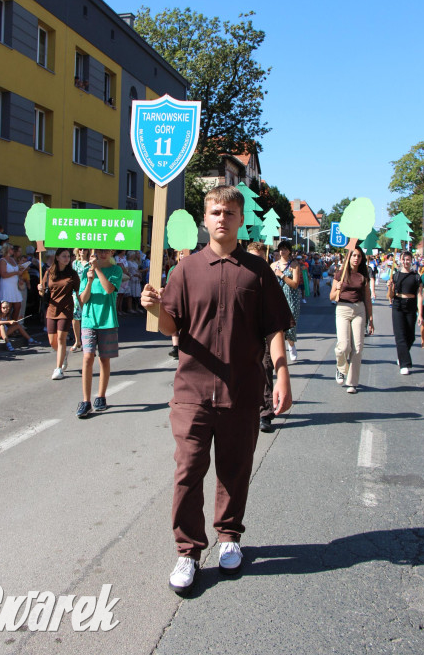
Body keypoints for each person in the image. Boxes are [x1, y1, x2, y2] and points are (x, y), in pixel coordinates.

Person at [141, 185, 293, 594]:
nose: (221, 218)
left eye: (229, 212)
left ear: (240, 220)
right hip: (192, 390)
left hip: (242, 390)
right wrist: (154, 307)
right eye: (214, 211)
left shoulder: (258, 271)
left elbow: (273, 328)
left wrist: (282, 375)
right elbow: (172, 327)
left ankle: (229, 538)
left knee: (234, 471)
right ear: (204, 219)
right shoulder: (185, 270)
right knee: (188, 470)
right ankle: (187, 551)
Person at [248, 241, 292, 433]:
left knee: (266, 367)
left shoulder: (269, 278)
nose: (256, 262)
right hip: (245, 335)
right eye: (252, 258)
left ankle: (265, 413)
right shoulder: (239, 276)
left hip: (266, 332)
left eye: (260, 259)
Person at [76, 249, 122, 418]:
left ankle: (101, 396)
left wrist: (97, 270)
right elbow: (83, 300)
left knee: (104, 359)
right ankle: (86, 400)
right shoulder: (86, 271)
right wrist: (88, 281)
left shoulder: (116, 270)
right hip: (89, 321)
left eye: (106, 251)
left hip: (107, 321)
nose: (103, 254)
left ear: (111, 252)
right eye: (99, 251)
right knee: (87, 357)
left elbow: (109, 289)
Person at [330, 246, 374, 393]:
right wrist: (338, 288)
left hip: (359, 310)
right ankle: (341, 367)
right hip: (342, 309)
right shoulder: (340, 274)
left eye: (359, 256)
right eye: (354, 256)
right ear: (348, 258)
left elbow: (367, 298)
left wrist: (371, 319)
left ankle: (352, 382)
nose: (356, 259)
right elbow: (331, 297)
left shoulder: (363, 276)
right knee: (343, 346)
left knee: (358, 348)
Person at [38, 248, 80, 380]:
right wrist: (39, 289)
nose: (67, 258)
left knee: (61, 339)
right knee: (52, 341)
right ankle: (64, 355)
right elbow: (43, 293)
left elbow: (78, 293)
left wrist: (84, 308)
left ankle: (58, 369)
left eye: (68, 256)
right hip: (52, 309)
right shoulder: (49, 272)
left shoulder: (72, 274)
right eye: (64, 256)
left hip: (66, 309)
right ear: (57, 257)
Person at [388, 251, 423, 375]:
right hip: (398, 305)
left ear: (411, 260)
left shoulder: (416, 276)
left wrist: (421, 314)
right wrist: (390, 287)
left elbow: (419, 295)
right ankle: (404, 364)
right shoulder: (396, 276)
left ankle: (402, 356)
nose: (406, 262)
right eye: (404, 259)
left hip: (411, 305)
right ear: (400, 261)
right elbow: (391, 296)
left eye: (408, 259)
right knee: (400, 336)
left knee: (411, 336)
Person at [271, 240, 301, 361]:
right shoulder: (273, 266)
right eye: (281, 249)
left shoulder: (294, 265)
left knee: (291, 326)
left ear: (289, 251)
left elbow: (295, 284)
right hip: (278, 298)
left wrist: (281, 275)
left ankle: (291, 344)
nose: (282, 251)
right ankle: (281, 354)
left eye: (285, 249)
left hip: (291, 298)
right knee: (280, 328)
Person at [71, 248, 90, 350]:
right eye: (80, 249)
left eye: (85, 249)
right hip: (76, 291)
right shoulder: (75, 263)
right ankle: (77, 340)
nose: (82, 251)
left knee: (85, 315)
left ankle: (85, 340)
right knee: (75, 316)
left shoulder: (90, 263)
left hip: (86, 291)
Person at [0, 243, 24, 320]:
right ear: (7, 249)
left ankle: (13, 324)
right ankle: (6, 324)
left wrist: (20, 278)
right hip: (7, 286)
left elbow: (17, 271)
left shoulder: (12, 259)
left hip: (15, 286)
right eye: (12, 248)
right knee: (8, 306)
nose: (13, 250)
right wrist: (16, 273)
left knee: (18, 305)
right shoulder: (2, 260)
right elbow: (3, 274)